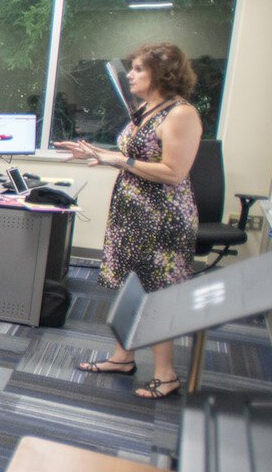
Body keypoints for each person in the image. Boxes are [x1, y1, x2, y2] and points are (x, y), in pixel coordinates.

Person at [56, 42, 202, 399]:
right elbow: (130, 153)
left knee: (158, 294)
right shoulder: (150, 108)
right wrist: (97, 153)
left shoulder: (180, 114)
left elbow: (173, 172)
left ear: (161, 74)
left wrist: (117, 161)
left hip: (162, 219)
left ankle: (166, 375)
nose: (131, 75)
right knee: (132, 288)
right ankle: (123, 357)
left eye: (138, 69)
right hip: (133, 214)